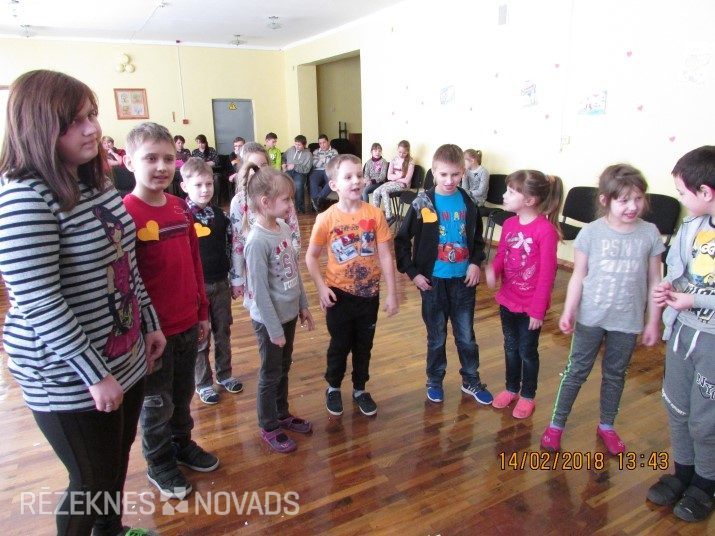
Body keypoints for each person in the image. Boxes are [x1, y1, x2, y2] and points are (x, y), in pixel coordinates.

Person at [0, 69, 164, 536]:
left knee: (114, 462)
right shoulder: (24, 198)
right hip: (67, 374)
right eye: (74, 121)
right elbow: (38, 300)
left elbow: (124, 259)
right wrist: (94, 374)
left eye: (92, 114)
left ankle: (111, 532)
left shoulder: (96, 181)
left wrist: (149, 323)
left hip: (122, 353)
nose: (92, 128)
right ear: (39, 126)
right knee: (89, 481)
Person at [123, 122, 217, 500]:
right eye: (151, 158)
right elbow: (126, 281)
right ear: (129, 162)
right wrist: (142, 329)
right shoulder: (125, 213)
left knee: (183, 392)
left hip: (187, 321)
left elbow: (194, 262)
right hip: (153, 333)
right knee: (156, 402)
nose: (162, 166)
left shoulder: (180, 207)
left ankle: (182, 443)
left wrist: (202, 311)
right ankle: (159, 461)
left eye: (168, 158)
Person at [538, 165, 663, 446]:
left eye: (638, 198)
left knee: (615, 374)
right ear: (605, 200)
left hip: (628, 320)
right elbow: (578, 276)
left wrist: (654, 320)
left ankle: (607, 425)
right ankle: (556, 425)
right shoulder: (591, 233)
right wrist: (569, 310)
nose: (633, 206)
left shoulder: (650, 233)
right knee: (576, 371)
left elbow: (655, 279)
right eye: (624, 200)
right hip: (590, 317)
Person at [647, 146, 715, 523]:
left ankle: (706, 482)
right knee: (676, 406)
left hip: (712, 342)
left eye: (682, 192)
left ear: (705, 192)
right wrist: (668, 288)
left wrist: (695, 299)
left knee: (706, 420)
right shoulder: (692, 227)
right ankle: (683, 472)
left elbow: (699, 293)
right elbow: (677, 271)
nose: (680, 199)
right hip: (683, 332)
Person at [395, 144, 492, 406]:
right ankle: (435, 380)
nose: (449, 180)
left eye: (455, 174)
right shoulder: (423, 203)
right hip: (432, 283)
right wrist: (413, 273)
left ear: (463, 172)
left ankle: (471, 379)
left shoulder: (468, 202)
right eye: (443, 175)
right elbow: (402, 240)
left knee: (466, 336)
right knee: (436, 337)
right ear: (434, 172)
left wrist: (475, 263)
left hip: (463, 282)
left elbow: (478, 239)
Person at [306, 154, 398, 417]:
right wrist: (322, 288)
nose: (356, 181)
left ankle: (360, 389)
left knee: (363, 345)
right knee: (340, 345)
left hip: (369, 295)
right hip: (339, 295)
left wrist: (392, 293)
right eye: (348, 177)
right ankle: (333, 387)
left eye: (359, 175)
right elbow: (311, 257)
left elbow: (385, 256)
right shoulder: (326, 218)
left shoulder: (375, 214)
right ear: (334, 185)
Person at [243, 166, 315, 452]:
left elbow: (293, 272)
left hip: (288, 314)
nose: (291, 205)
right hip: (269, 322)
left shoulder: (283, 228)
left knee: (284, 367)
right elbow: (259, 293)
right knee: (270, 373)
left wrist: (303, 305)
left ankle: (281, 413)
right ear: (265, 202)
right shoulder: (256, 241)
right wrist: (274, 330)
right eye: (286, 200)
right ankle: (268, 424)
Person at [483, 170, 564, 419]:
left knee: (527, 352)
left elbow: (547, 274)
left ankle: (527, 395)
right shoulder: (509, 224)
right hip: (508, 300)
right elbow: (502, 255)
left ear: (529, 200)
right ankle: (511, 389)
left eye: (510, 192)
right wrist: (494, 271)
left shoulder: (545, 231)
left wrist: (538, 311)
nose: (504, 195)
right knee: (510, 347)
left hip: (530, 307)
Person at [180, 157, 243, 405]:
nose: (205, 189)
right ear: (185, 186)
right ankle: (203, 382)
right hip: (196, 289)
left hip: (221, 284)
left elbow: (230, 247)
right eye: (198, 185)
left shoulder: (219, 215)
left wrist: (234, 279)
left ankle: (225, 374)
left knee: (223, 331)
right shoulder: (182, 217)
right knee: (200, 338)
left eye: (208, 184)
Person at [230, 142, 301, 300]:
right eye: (254, 166)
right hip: (257, 269)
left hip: (283, 269)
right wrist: (237, 278)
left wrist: (292, 258)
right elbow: (238, 242)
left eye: (263, 165)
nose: (259, 171)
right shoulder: (239, 201)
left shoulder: (282, 196)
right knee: (262, 306)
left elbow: (294, 230)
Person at [372, 140, 415, 225]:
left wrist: (395, 178)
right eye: (400, 152)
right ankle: (376, 216)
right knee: (376, 192)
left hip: (403, 185)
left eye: (404, 153)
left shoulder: (411, 161)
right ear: (397, 149)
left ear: (408, 151)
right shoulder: (394, 159)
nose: (401, 154)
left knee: (384, 191)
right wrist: (400, 176)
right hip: (393, 183)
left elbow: (407, 180)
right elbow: (389, 177)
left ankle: (389, 217)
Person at [282, 134, 312, 213]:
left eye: (299, 145)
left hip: (300, 173)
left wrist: (295, 166)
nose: (296, 146)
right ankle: (283, 206)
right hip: (288, 171)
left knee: (298, 185)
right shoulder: (291, 149)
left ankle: (299, 208)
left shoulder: (308, 154)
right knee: (282, 183)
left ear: (304, 145)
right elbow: (283, 157)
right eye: (295, 144)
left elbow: (307, 169)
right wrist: (283, 164)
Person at [308, 134, 338, 211]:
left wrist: (321, 160)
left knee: (331, 182)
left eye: (324, 142)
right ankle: (317, 203)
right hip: (317, 170)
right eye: (320, 143)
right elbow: (315, 163)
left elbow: (332, 163)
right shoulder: (316, 152)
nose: (322, 145)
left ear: (328, 142)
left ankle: (317, 200)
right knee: (313, 181)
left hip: (329, 170)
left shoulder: (334, 151)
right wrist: (327, 160)